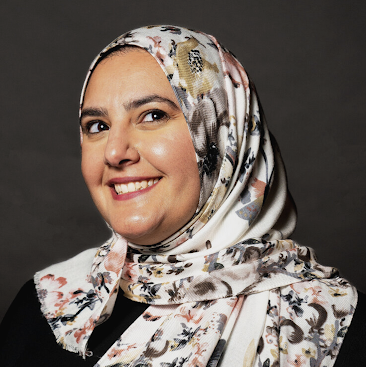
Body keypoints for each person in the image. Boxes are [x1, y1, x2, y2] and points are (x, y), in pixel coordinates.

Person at [0, 25, 364, 367]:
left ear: (225, 138)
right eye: (97, 126)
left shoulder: (333, 325)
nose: (114, 152)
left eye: (152, 115)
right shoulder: (50, 305)